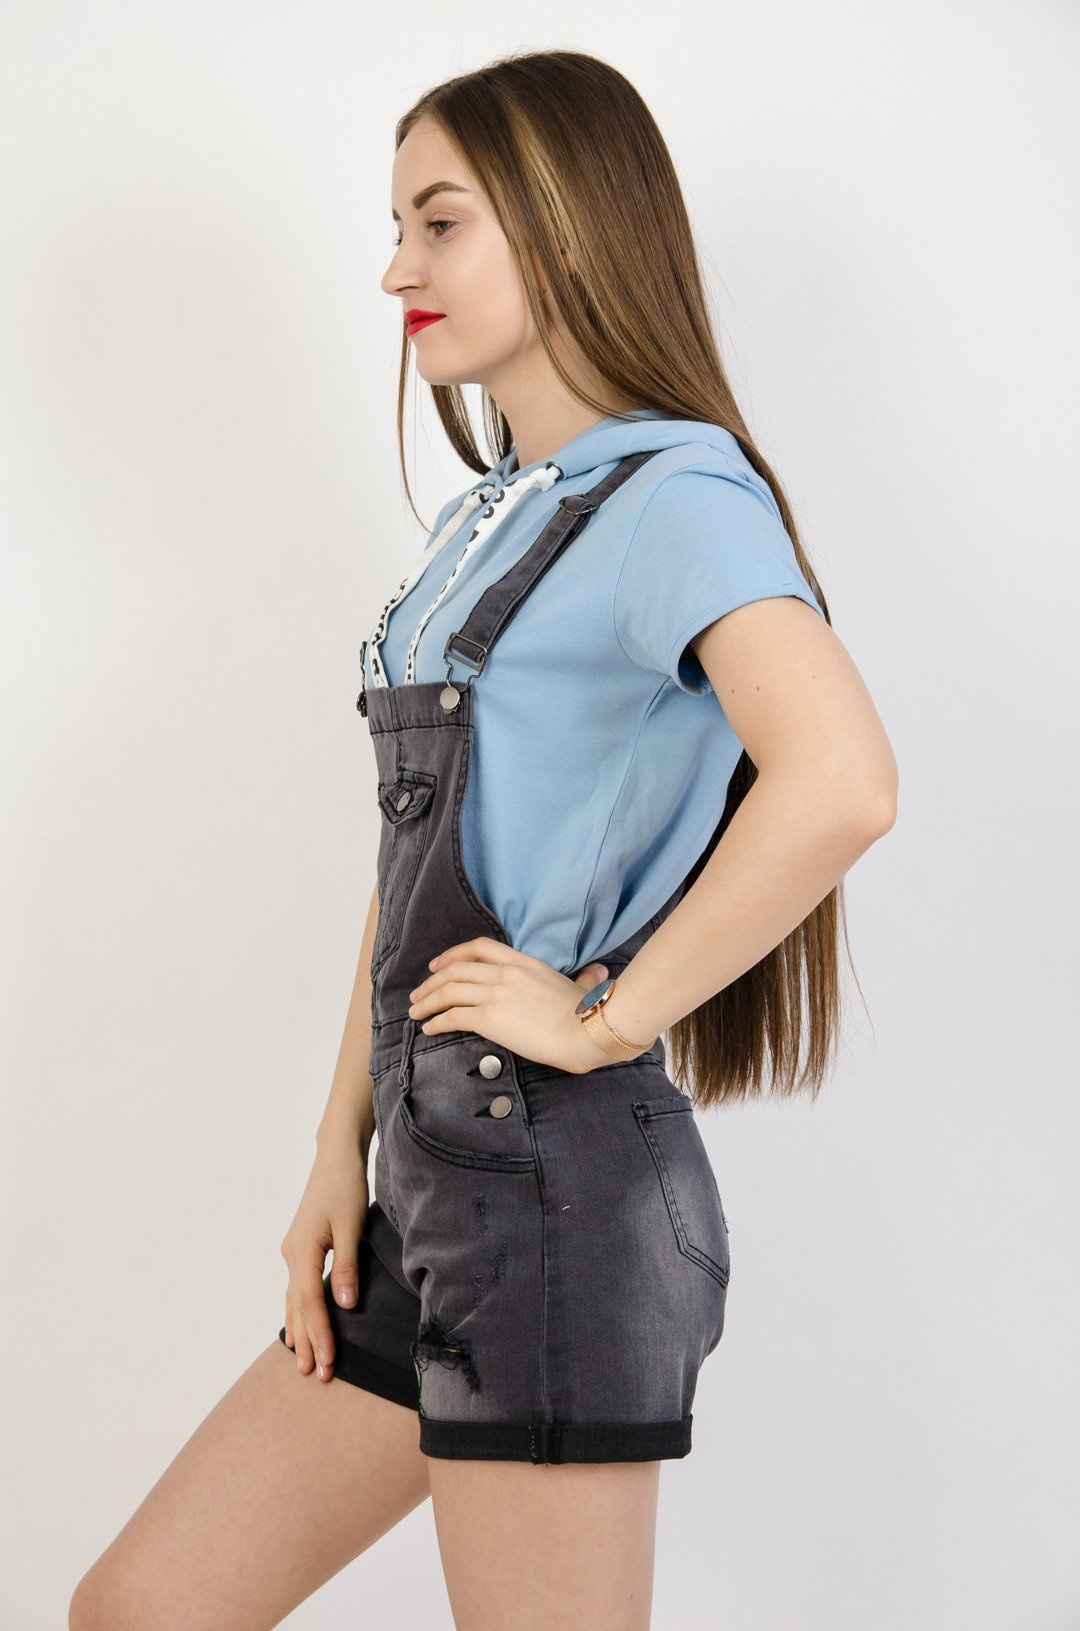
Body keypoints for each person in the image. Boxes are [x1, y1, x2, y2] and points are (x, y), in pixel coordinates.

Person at [69, 47, 898, 1631]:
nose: (398, 270)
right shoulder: (491, 518)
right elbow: (415, 874)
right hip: (429, 1187)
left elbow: (845, 778)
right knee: (141, 1608)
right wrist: (338, 1152)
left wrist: (604, 1016)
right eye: (398, 227)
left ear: (567, 227)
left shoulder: (676, 495)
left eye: (439, 224)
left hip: (552, 1193)